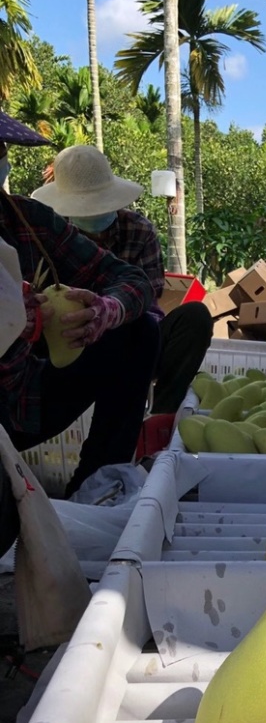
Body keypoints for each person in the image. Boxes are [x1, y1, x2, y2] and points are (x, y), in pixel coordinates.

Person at [0, 112, 159, 498]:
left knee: (140, 332)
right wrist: (11, 320)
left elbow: (136, 282)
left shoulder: (26, 221)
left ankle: (96, 486)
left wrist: (107, 311)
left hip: (26, 397)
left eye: (1, 150)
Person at [32, 144, 213, 415]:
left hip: (135, 345)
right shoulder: (47, 237)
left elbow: (148, 295)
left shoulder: (139, 231)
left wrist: (110, 310)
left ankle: (162, 416)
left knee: (193, 317)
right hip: (69, 350)